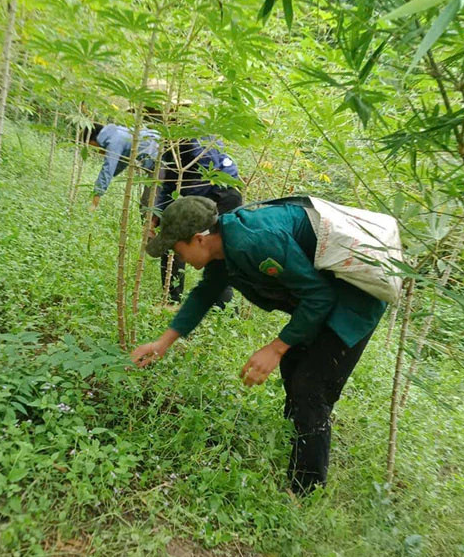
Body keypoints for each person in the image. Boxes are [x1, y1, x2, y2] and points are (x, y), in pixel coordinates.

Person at [131, 196, 386, 495]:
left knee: (310, 386)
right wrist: (163, 343)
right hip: (325, 297)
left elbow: (320, 298)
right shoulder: (223, 246)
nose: (178, 257)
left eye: (177, 249)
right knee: (295, 365)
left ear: (199, 239)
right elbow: (205, 293)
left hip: (353, 302)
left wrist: (276, 348)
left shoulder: (251, 241)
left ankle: (305, 488)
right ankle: (298, 440)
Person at [151, 137, 242, 305]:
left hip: (221, 197)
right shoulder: (172, 142)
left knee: (217, 253)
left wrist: (175, 217)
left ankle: (225, 309)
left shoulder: (200, 146)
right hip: (198, 197)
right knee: (171, 242)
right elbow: (170, 183)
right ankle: (171, 300)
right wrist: (157, 215)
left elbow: (194, 189)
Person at [87, 123, 160, 211]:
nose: (95, 152)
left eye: (92, 147)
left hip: (160, 161)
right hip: (156, 158)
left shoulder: (114, 140)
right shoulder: (118, 132)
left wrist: (95, 200)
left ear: (93, 141)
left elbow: (108, 169)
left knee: (148, 206)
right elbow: (121, 163)